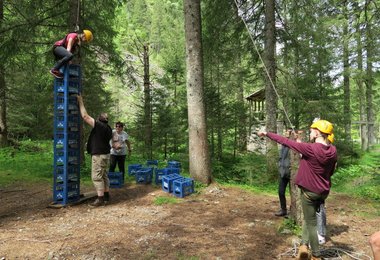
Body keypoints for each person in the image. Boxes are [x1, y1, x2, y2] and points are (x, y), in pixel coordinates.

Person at [258, 119, 337, 260]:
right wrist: (300, 143)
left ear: (318, 132)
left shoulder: (311, 149)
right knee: (309, 217)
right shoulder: (332, 150)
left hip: (309, 192)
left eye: (313, 129)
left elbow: (285, 142)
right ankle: (303, 247)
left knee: (311, 223)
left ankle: (316, 255)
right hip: (323, 192)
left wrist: (267, 133)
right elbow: (329, 170)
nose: (311, 131)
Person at [77, 95, 112, 207]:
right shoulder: (108, 128)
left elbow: (85, 116)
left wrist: (81, 101)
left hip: (99, 155)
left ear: (99, 119)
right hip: (105, 154)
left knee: (96, 177)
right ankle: (106, 196)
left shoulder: (100, 126)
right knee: (103, 175)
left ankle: (100, 199)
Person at [275, 129, 292, 217]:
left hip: (292, 173)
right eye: (285, 132)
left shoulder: (293, 144)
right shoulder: (283, 145)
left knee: (294, 193)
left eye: (287, 133)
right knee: (281, 192)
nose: (285, 134)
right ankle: (283, 209)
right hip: (283, 172)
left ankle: (293, 211)